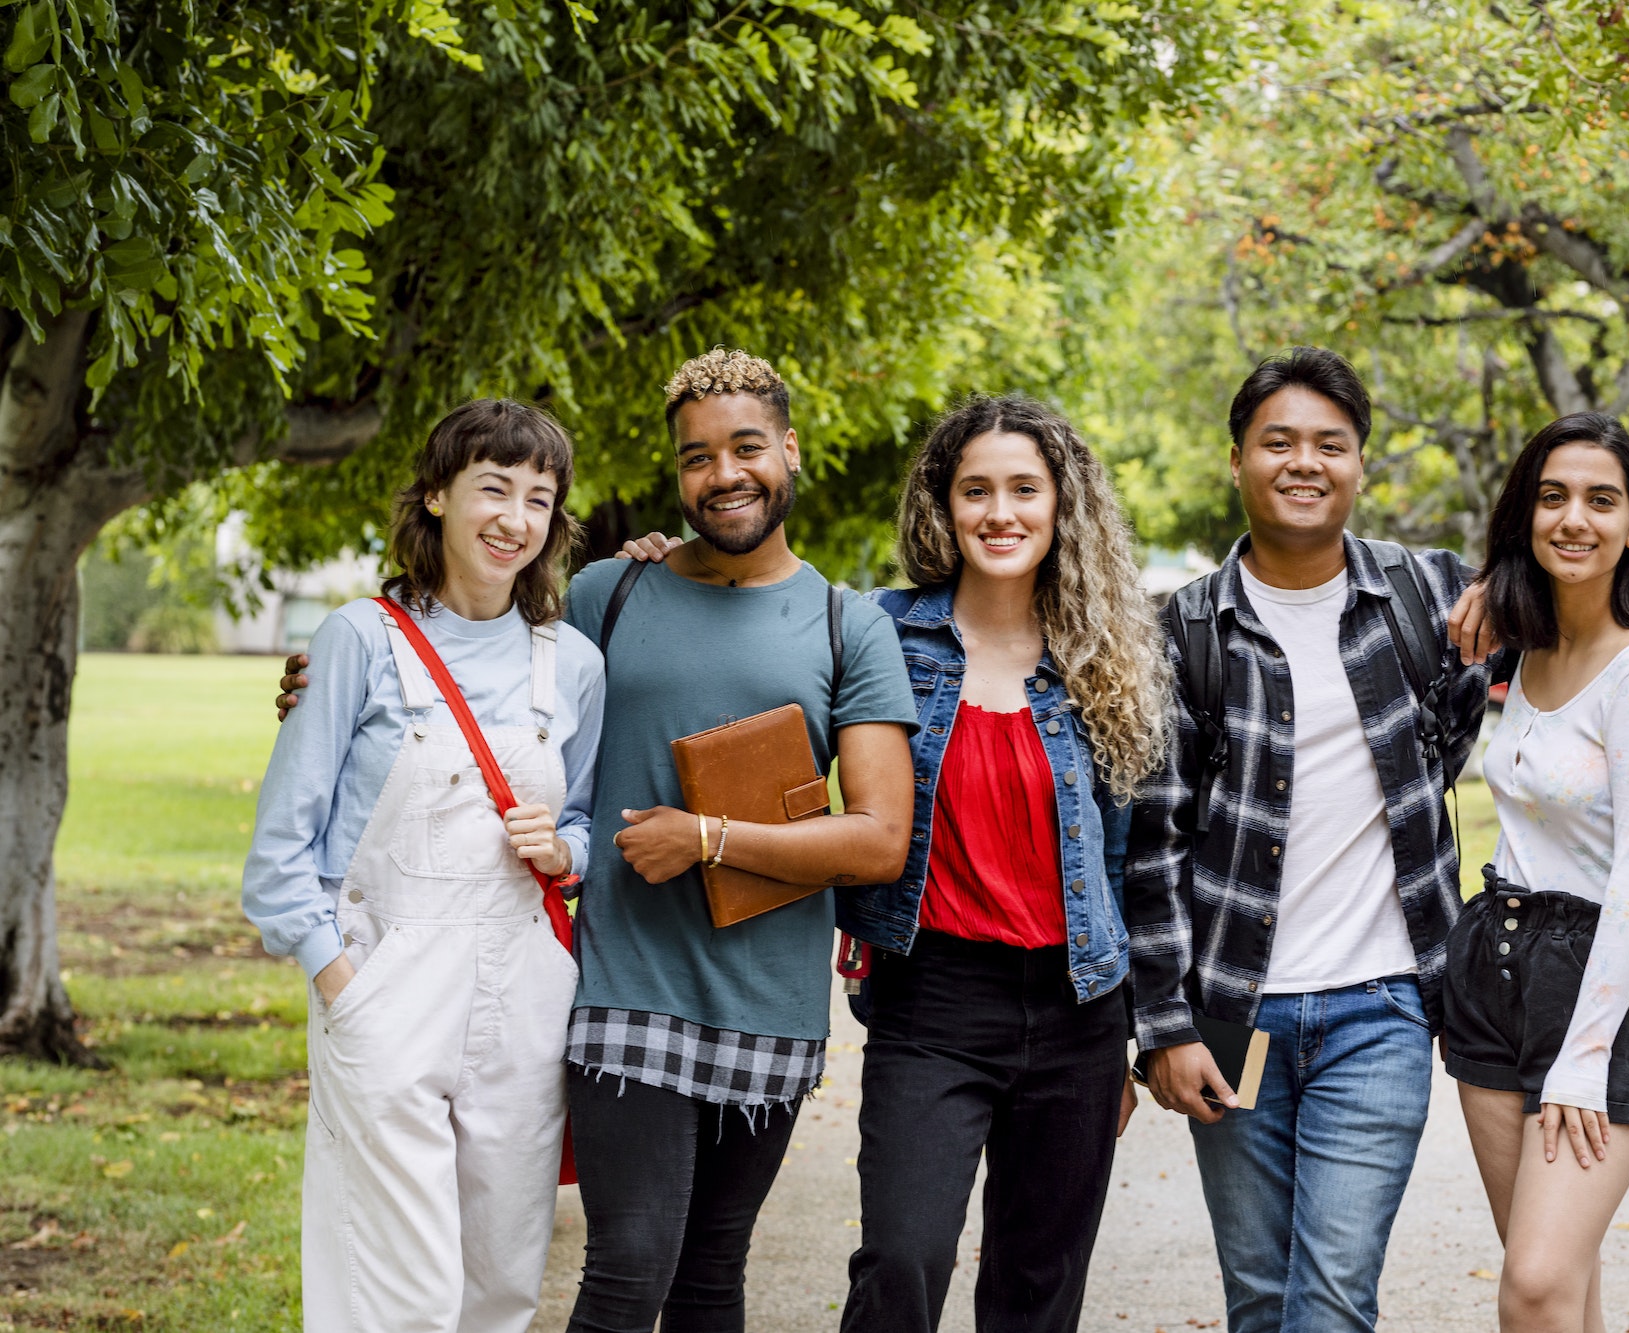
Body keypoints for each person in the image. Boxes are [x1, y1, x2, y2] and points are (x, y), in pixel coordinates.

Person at [277, 351, 919, 1333]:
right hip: (623, 986)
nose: (724, 473)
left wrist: (706, 835)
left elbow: (878, 839)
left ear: (788, 449)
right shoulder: (608, 597)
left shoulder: (846, 625)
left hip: (773, 998)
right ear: (677, 475)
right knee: (627, 1267)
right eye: (696, 457)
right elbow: (455, 652)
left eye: (746, 447)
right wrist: (323, 679)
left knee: (712, 1275)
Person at [621, 393, 1170, 1331]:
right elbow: (752, 661)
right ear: (942, 505)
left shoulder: (1108, 653)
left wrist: (1134, 1031)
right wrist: (673, 569)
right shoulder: (878, 628)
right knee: (904, 1263)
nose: (1001, 513)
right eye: (976, 490)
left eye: (1025, 489)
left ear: (1062, 504)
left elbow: (1132, 858)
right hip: (935, 999)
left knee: (1040, 1283)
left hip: (1080, 1010)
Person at [1123, 347, 1498, 1333]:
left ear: (1359, 466)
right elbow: (1154, 842)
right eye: (1277, 441)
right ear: (1236, 461)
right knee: (1257, 1302)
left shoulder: (1428, 595)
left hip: (1379, 1007)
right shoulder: (1186, 630)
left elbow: (1476, 709)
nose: (1304, 462)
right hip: (1233, 1016)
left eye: (1330, 444)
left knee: (1329, 1302)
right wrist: (1161, 1025)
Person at [244, 399, 606, 1333]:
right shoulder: (358, 640)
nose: (514, 518)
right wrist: (342, 980)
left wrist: (566, 848)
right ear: (438, 496)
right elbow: (282, 850)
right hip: (387, 978)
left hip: (523, 984)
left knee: (501, 1275)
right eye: (493, 487)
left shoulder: (571, 664)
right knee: (395, 1286)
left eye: (538, 496)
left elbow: (588, 821)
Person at [1443, 412, 1629, 1333]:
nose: (1573, 519)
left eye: (1601, 500)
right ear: (1524, 515)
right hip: (1495, 967)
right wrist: (1484, 590)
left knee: (1537, 1284)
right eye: (1552, 497)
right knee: (1564, 1285)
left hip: (1602, 988)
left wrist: (1585, 1056)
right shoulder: (1531, 644)